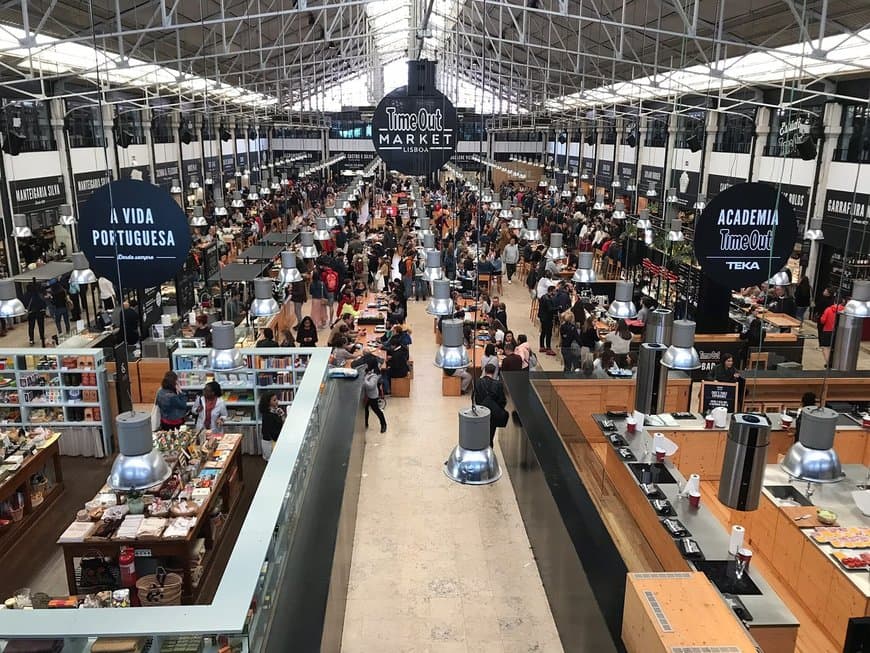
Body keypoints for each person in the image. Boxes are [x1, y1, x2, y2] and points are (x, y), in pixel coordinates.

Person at [474, 363, 507, 446]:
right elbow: (502, 401)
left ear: (485, 371)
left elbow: (475, 398)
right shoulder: (498, 385)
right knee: (490, 435)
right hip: (493, 414)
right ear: (494, 372)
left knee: (480, 434)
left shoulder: (478, 382)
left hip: (480, 413)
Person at [259, 391, 285, 461]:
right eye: (274, 400)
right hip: (270, 443)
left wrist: (281, 416)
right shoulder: (268, 416)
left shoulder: (274, 411)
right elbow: (274, 433)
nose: (277, 401)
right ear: (268, 402)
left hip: (272, 441)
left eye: (277, 399)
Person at [818, 297, 845, 364]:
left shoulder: (828, 309)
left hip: (827, 330)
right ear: (842, 302)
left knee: (826, 347)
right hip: (839, 332)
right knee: (837, 348)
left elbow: (823, 320)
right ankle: (835, 362)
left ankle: (828, 362)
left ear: (834, 302)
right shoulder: (845, 310)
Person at [363, 362, 387, 433]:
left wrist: (364, 380)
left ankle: (383, 425)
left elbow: (371, 386)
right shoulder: (368, 371)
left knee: (376, 410)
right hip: (367, 395)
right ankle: (366, 424)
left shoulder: (374, 375)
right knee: (365, 409)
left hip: (372, 396)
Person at [23, 280, 46, 347]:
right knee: (41, 325)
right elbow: (42, 302)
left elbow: (24, 303)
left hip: (31, 312)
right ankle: (42, 336)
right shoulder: (37, 294)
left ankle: (31, 339)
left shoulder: (26, 295)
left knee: (31, 326)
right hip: (39, 311)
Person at [538, 284, 557, 355]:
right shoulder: (548, 299)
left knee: (543, 332)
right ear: (551, 291)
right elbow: (550, 309)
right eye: (554, 291)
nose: (555, 293)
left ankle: (542, 346)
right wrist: (558, 308)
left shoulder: (543, 296)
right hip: (547, 318)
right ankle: (548, 348)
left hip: (542, 317)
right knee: (548, 333)